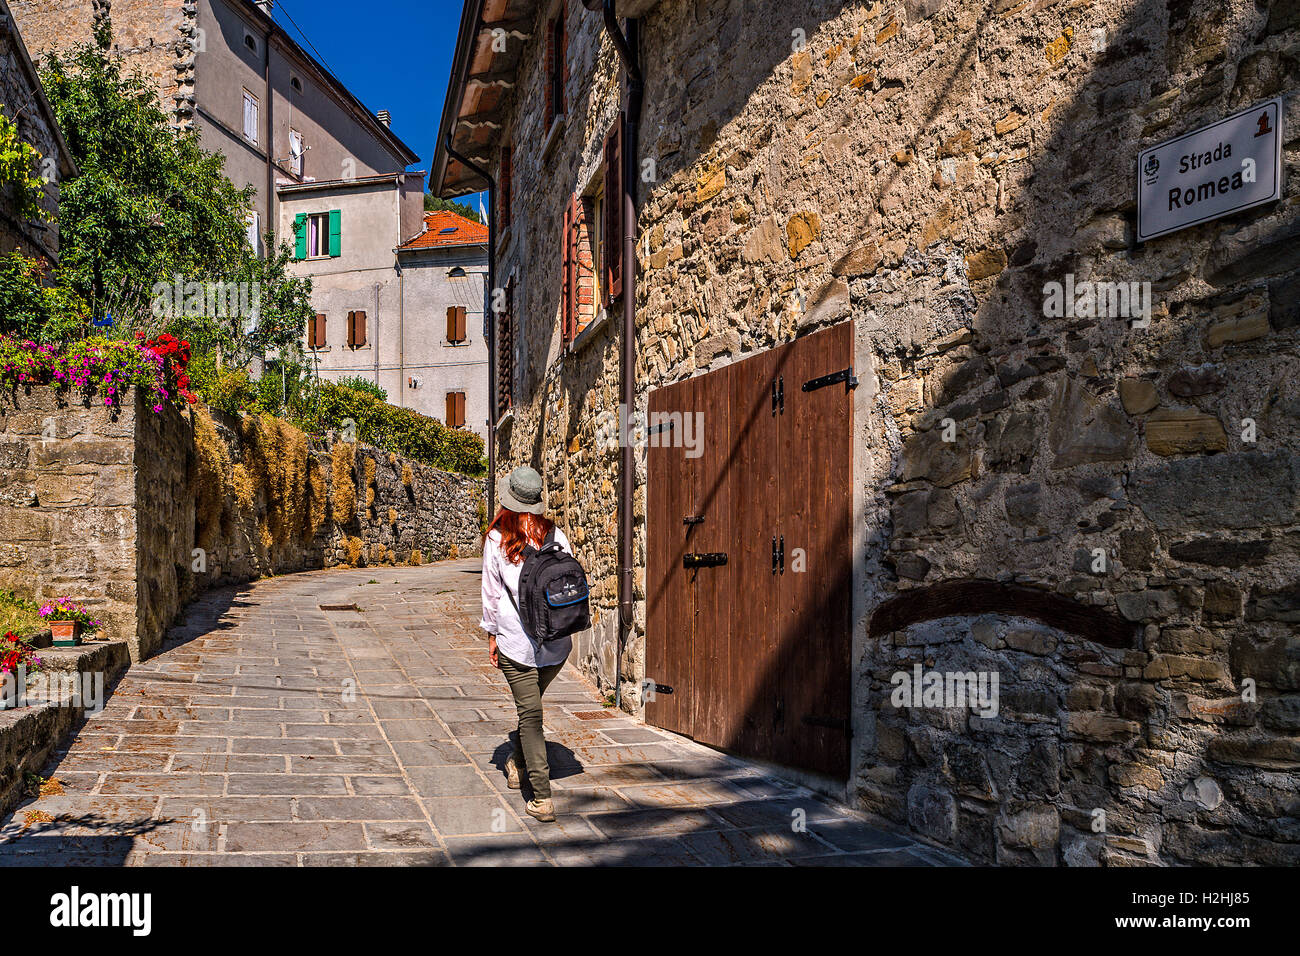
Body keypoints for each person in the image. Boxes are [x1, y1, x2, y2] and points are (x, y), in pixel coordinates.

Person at [479, 466, 572, 823]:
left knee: (530, 714)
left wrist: (491, 635)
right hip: (557, 645)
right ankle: (518, 760)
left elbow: (491, 594)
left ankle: (541, 796)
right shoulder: (556, 535)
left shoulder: (498, 539)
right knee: (530, 709)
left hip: (516, 644)